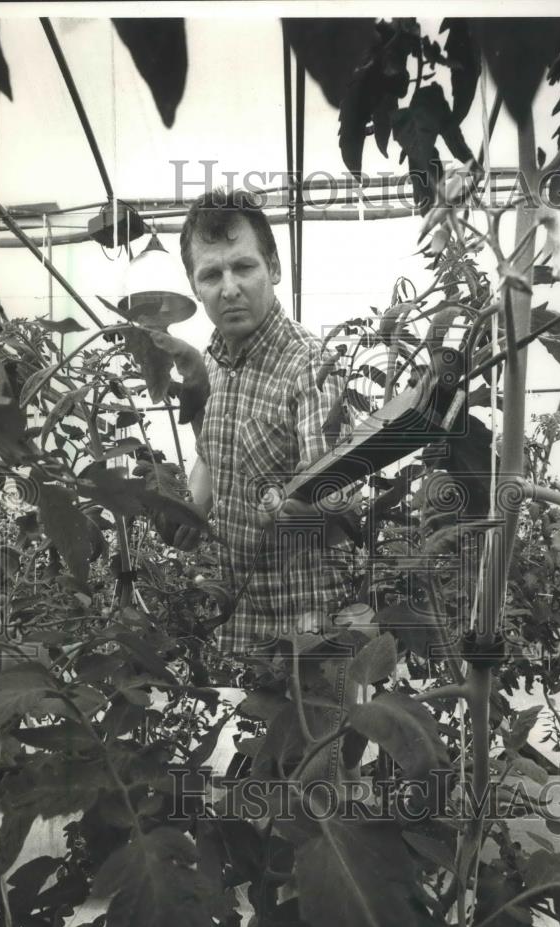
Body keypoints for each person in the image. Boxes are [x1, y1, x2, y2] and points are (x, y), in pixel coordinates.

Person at [160, 188, 359, 780]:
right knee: (259, 799)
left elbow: (334, 507)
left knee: (313, 803)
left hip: (311, 643)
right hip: (245, 629)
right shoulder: (214, 364)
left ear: (273, 268)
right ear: (195, 286)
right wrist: (184, 514)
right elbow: (210, 458)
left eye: (244, 266)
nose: (229, 287)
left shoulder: (309, 369)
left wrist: (288, 506)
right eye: (211, 273)